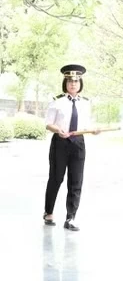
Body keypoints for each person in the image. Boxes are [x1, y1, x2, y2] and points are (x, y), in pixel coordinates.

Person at [42, 64, 100, 231]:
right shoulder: (57, 101)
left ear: (80, 83)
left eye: (76, 81)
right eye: (69, 81)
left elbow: (87, 124)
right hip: (60, 143)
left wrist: (93, 130)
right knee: (56, 178)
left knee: (76, 181)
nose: (73, 84)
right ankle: (48, 212)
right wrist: (57, 130)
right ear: (65, 83)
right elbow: (48, 124)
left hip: (78, 144)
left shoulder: (86, 103)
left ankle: (71, 218)